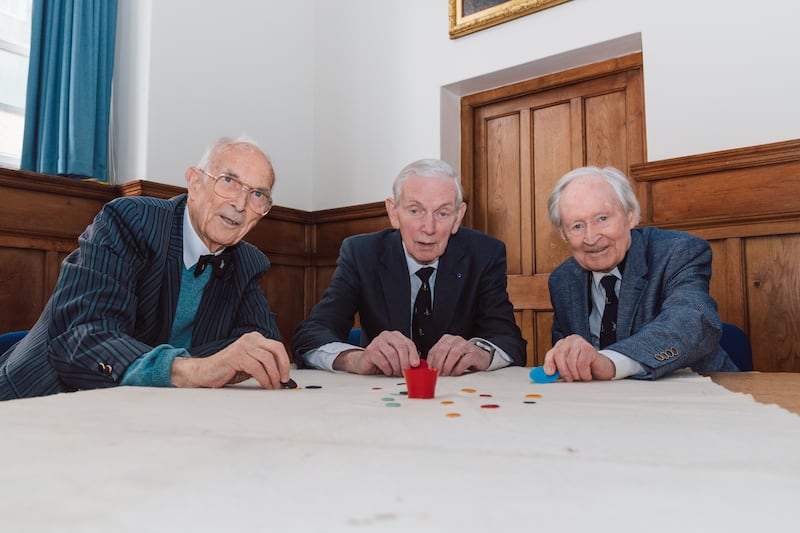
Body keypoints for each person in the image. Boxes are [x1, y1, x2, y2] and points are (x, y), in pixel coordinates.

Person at [0, 136, 292, 400]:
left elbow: (261, 349)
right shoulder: (130, 221)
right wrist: (198, 369)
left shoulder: (248, 262)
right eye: (228, 180)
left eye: (258, 195)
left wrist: (199, 366)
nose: (240, 203)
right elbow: (84, 338)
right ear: (194, 181)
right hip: (36, 404)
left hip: (145, 416)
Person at [292, 158, 526, 377]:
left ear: (458, 217)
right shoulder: (362, 253)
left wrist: (480, 354)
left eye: (442, 213)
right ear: (394, 213)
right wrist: (356, 360)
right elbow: (311, 334)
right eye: (415, 211)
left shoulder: (484, 253)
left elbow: (509, 340)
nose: (429, 227)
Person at [542, 165, 738, 382]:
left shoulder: (678, 252)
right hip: (608, 406)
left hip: (700, 393)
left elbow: (692, 320)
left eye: (602, 219)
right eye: (577, 226)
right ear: (563, 234)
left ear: (631, 216)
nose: (591, 237)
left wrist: (610, 361)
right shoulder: (562, 281)